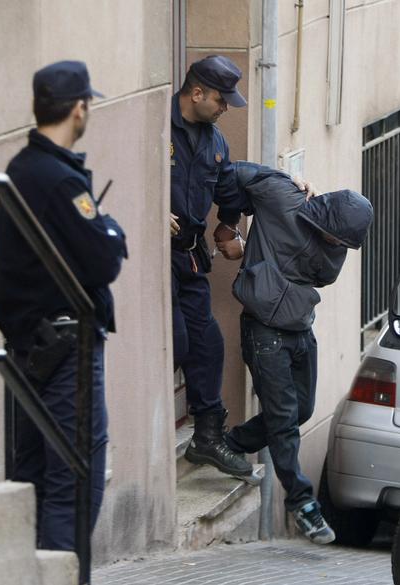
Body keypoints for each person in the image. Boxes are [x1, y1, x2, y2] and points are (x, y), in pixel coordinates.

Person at [0, 61, 127, 550]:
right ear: (78, 108)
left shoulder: (22, 168)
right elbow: (105, 257)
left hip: (28, 345)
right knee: (73, 482)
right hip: (65, 346)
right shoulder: (59, 180)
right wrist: (111, 228)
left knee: (32, 480)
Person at [214, 162, 374, 544]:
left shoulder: (336, 246)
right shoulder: (283, 195)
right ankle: (303, 504)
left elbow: (325, 276)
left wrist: (323, 248)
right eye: (336, 236)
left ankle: (227, 445)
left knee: (301, 409)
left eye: (344, 243)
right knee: (284, 418)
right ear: (328, 215)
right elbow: (232, 174)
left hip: (301, 328)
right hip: (263, 329)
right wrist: (229, 224)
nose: (337, 244)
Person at [169, 55, 256, 482]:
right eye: (221, 100)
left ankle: (207, 436)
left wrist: (228, 225)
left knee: (208, 343)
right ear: (197, 93)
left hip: (189, 255)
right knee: (177, 341)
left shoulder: (215, 142)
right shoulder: (158, 127)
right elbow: (124, 174)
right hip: (157, 256)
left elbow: (229, 192)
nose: (225, 108)